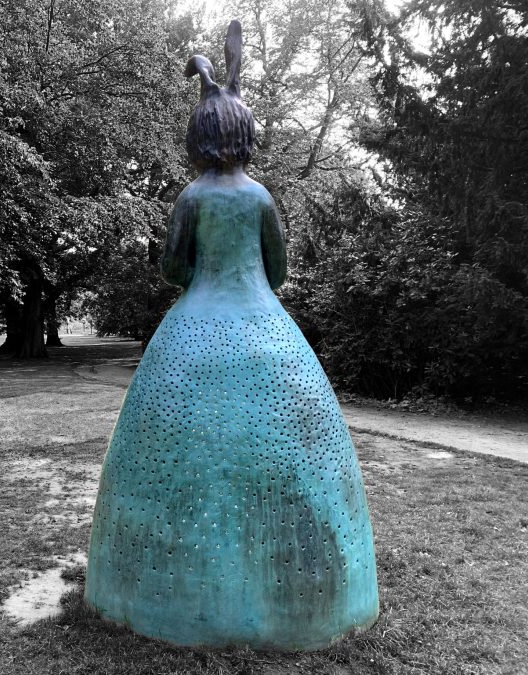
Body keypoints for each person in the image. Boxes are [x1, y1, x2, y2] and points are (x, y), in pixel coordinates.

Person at [83, 21, 379, 650]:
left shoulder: (191, 197)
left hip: (190, 330)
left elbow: (172, 267)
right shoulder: (261, 198)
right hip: (268, 329)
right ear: (247, 135)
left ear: (198, 138)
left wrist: (198, 268)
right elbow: (280, 269)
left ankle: (158, 592)